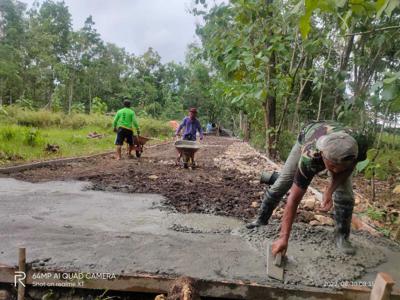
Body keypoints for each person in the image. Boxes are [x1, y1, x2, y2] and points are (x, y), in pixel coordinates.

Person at [246, 121, 369, 256]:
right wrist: (283, 238)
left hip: (338, 141)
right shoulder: (310, 155)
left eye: (339, 168)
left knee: (345, 195)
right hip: (308, 136)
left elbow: (349, 168)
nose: (334, 171)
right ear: (322, 155)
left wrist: (329, 191)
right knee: (284, 181)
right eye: (332, 167)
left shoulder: (358, 145)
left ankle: (342, 237)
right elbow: (294, 198)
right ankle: (261, 219)